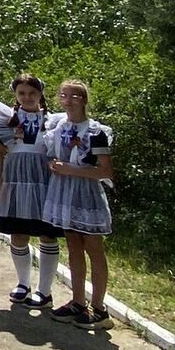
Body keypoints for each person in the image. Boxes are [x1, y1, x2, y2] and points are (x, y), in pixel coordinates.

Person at [0, 73, 62, 308]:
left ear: (40, 94)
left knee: (47, 233)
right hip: (15, 181)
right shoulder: (4, 120)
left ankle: (45, 290)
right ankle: (23, 283)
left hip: (44, 182)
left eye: (32, 93)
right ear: (15, 95)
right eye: (22, 93)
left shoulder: (55, 121)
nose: (27, 97)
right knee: (18, 234)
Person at [44, 79, 115, 329]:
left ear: (84, 100)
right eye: (64, 95)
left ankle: (99, 307)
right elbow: (54, 156)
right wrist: (55, 165)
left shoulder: (96, 132)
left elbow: (105, 171)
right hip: (64, 193)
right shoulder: (57, 126)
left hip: (87, 194)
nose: (69, 100)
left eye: (74, 96)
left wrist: (71, 170)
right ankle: (77, 301)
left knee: (93, 248)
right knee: (73, 246)